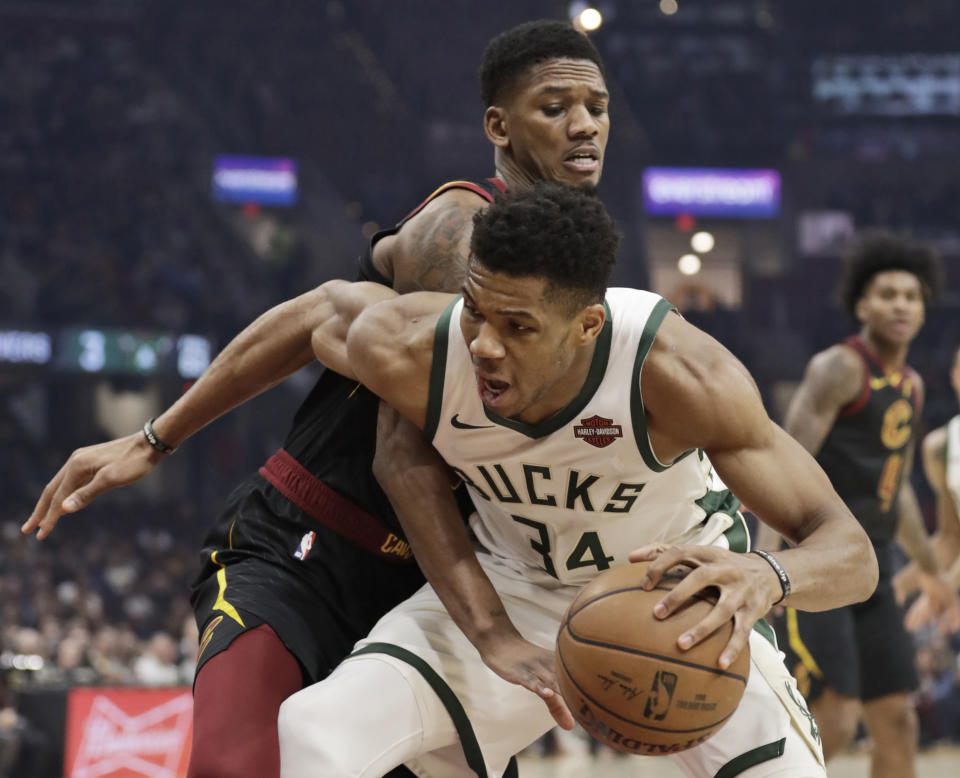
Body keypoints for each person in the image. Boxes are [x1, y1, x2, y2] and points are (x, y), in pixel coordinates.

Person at [22, 20, 610, 778]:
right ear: (499, 125)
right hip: (305, 551)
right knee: (237, 768)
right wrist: (152, 440)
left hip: (422, 588)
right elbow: (325, 336)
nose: (585, 124)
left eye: (596, 106)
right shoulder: (459, 234)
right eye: (556, 106)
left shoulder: (584, 284)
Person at [275, 181, 877, 778]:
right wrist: (173, 434)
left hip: (677, 603)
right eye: (476, 312)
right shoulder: (418, 345)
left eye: (518, 327)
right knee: (316, 730)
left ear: (588, 325)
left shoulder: (679, 372)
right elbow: (317, 324)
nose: (485, 345)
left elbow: (852, 555)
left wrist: (767, 574)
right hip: (512, 585)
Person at [755, 233, 959, 777]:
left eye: (911, 296)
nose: (900, 304)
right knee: (836, 717)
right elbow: (782, 456)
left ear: (923, 308)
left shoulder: (912, 386)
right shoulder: (840, 368)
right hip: (819, 558)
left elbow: (900, 493)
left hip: (874, 566)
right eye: (887, 294)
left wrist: (934, 572)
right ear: (862, 305)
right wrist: (768, 562)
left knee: (897, 720)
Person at [895, 342, 960, 624]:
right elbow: (949, 539)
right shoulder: (941, 446)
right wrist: (894, 588)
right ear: (955, 375)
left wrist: (942, 588)